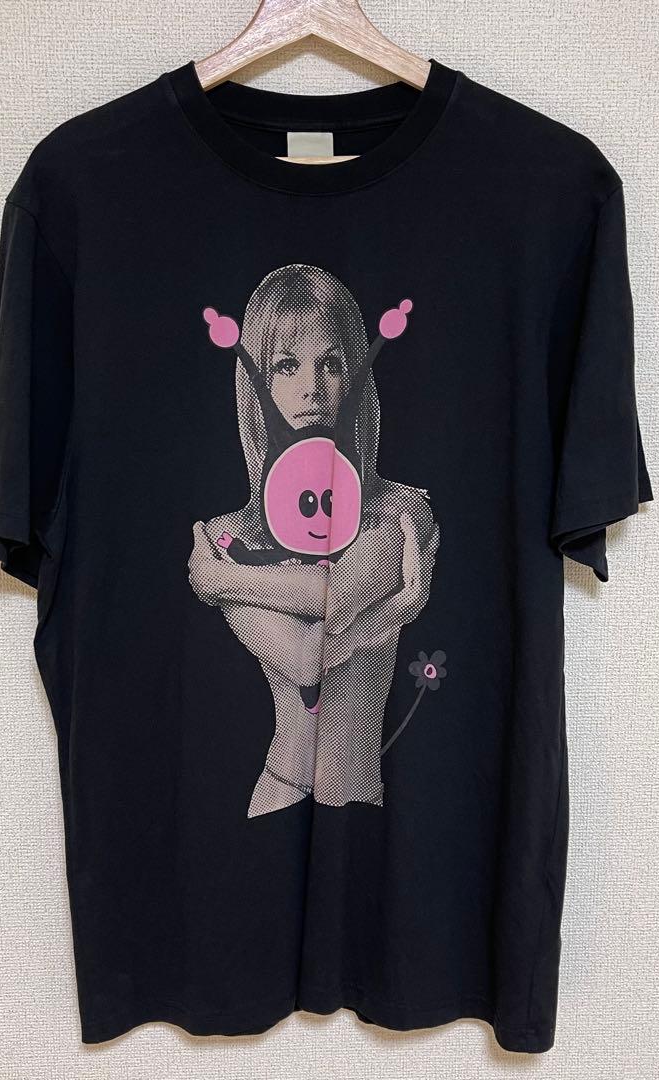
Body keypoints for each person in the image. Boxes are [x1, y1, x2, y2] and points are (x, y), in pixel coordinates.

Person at [187, 263, 440, 817]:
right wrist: (392, 610)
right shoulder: (232, 533)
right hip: (279, 793)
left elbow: (333, 597)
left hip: (362, 798)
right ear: (257, 387)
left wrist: (224, 579)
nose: (312, 387)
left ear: (355, 379)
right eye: (286, 366)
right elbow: (303, 661)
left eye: (331, 364)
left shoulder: (402, 511)